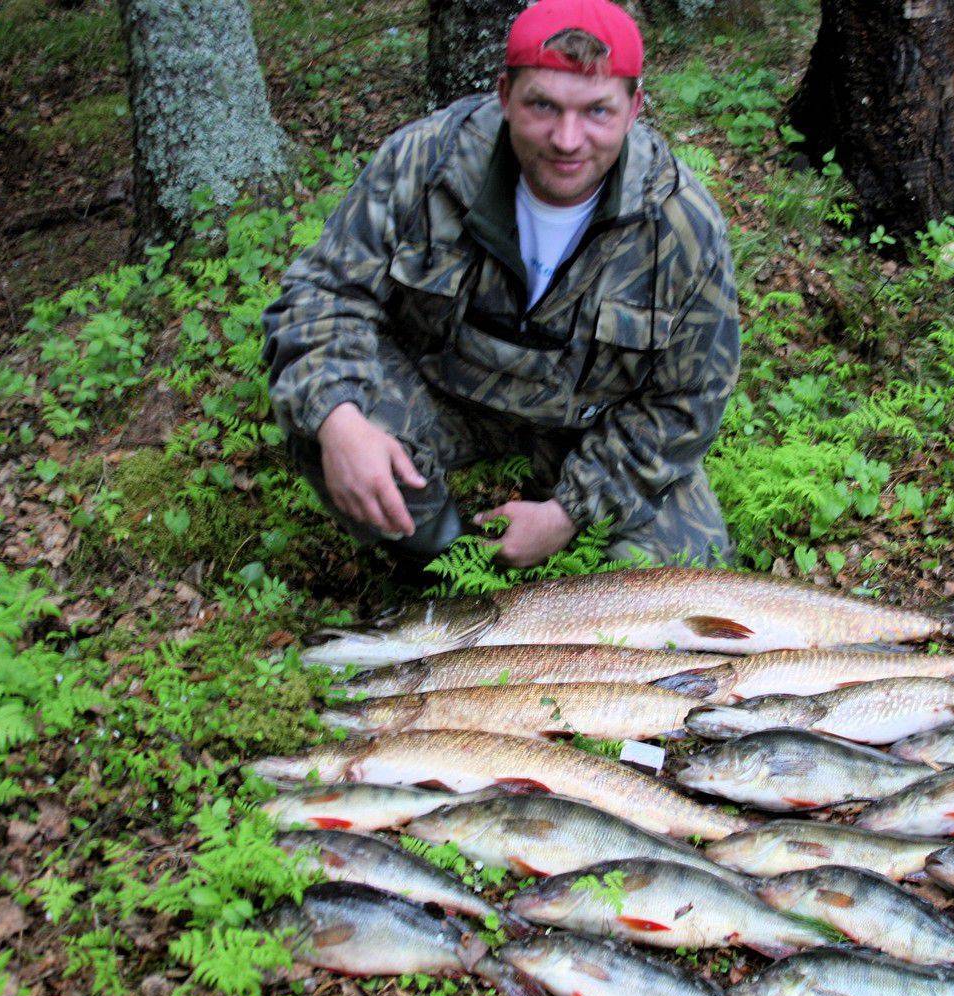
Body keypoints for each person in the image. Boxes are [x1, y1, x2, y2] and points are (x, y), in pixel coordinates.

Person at [261, 0, 738, 569]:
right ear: (505, 94)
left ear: (634, 108)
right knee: (330, 427)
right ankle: (444, 564)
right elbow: (324, 295)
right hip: (440, 392)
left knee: (681, 568)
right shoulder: (426, 162)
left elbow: (688, 403)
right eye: (543, 105)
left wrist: (567, 513)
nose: (567, 139)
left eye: (596, 112)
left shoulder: (681, 224)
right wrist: (341, 423)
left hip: (584, 425)